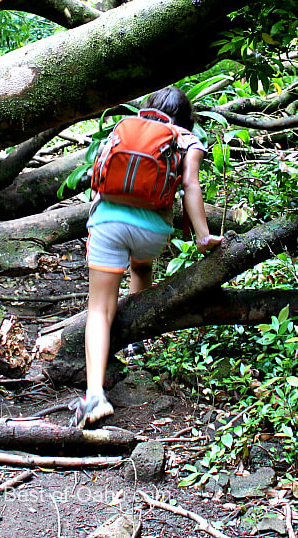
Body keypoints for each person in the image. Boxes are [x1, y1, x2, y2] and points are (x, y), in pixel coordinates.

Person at [70, 86, 223, 428]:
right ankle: (136, 342)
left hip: (107, 224)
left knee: (99, 309)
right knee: (141, 266)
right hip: (152, 234)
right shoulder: (187, 140)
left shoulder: (124, 128)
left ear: (149, 108)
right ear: (186, 117)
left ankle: (94, 394)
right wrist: (202, 237)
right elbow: (190, 186)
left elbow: (100, 177)